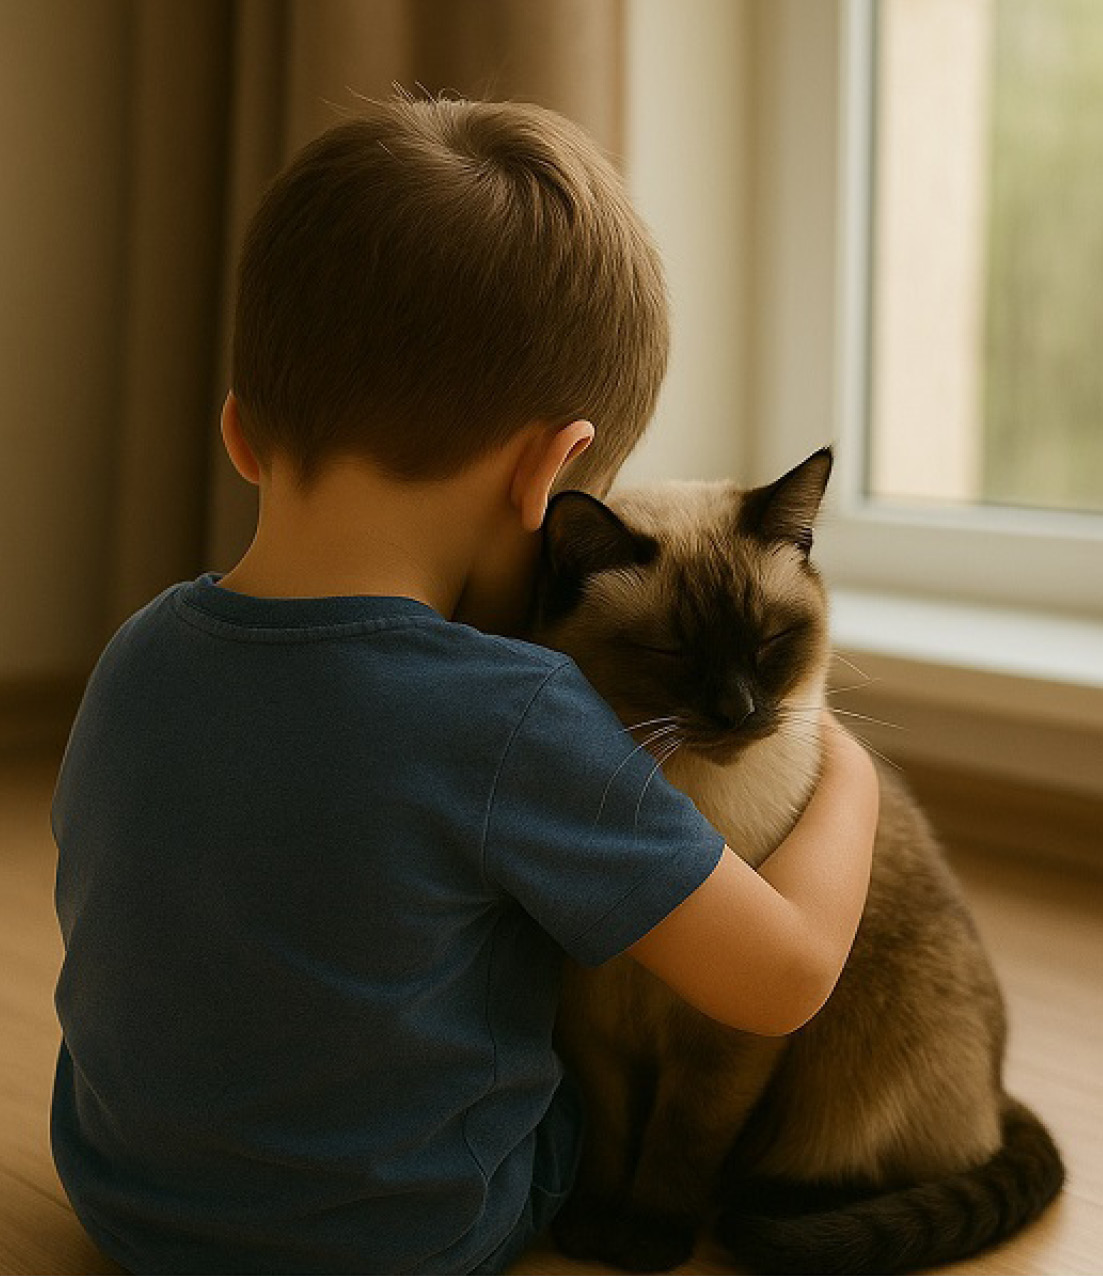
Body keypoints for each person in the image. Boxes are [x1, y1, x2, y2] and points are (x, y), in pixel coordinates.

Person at [51, 98, 879, 1275]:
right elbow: (784, 975)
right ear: (550, 474)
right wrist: (840, 764)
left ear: (240, 432)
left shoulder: (133, 654)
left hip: (125, 1205)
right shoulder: (510, 710)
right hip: (404, 1242)